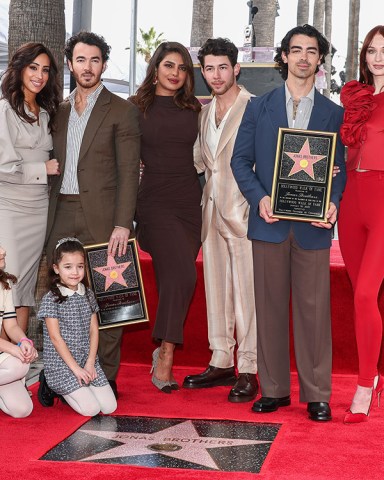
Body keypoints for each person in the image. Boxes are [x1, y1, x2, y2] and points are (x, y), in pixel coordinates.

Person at [231, 24, 346, 421]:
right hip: (269, 223)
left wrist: (332, 202)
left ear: (319, 59)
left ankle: (317, 393)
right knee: (270, 308)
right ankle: (275, 390)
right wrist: (260, 198)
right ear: (283, 57)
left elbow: (340, 169)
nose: (302, 57)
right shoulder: (258, 107)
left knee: (315, 312)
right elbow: (239, 162)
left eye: (310, 51)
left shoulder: (334, 113)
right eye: (295, 50)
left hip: (313, 229)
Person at [45, 31, 141, 398]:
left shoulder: (123, 111)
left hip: (105, 218)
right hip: (59, 213)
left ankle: (105, 374)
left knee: (111, 297)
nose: (88, 67)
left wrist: (122, 223)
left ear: (104, 64)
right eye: (81, 60)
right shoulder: (58, 111)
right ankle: (58, 375)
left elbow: (129, 172)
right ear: (70, 64)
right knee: (58, 297)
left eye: (95, 60)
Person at [182, 38, 258, 403]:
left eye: (222, 67)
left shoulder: (254, 109)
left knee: (247, 295)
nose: (215, 75)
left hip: (244, 214)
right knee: (217, 289)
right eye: (209, 68)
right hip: (210, 211)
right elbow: (201, 161)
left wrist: (254, 203)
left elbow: (265, 161)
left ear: (236, 68)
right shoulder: (203, 111)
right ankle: (222, 358)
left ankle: (250, 366)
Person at [130, 42, 202, 393]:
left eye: (182, 68)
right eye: (169, 65)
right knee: (184, 275)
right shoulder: (134, 108)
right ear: (155, 67)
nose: (175, 73)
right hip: (154, 204)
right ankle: (167, 354)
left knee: (176, 276)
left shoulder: (194, 109)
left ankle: (163, 346)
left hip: (190, 203)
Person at [338, 25, 384, 424]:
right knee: (360, 296)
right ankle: (375, 377)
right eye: (372, 50)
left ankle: (365, 385)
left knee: (367, 295)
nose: (378, 57)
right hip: (351, 203)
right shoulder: (354, 97)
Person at [0, 42, 60, 333]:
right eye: (33, 67)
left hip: (39, 209)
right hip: (10, 208)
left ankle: (17, 370)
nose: (40, 75)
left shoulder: (46, 112)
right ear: (20, 68)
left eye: (45, 69)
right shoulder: (5, 111)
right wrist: (42, 169)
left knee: (23, 288)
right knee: (7, 285)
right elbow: (2, 168)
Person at [37, 237, 117, 416]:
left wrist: (90, 363)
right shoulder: (51, 298)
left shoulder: (87, 294)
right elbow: (55, 338)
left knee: (109, 407)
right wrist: (76, 369)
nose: (75, 272)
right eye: (68, 267)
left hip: (86, 361)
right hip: (63, 365)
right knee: (91, 409)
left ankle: (79, 389)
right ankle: (49, 383)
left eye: (80, 266)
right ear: (56, 268)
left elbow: (94, 330)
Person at [0, 245, 38, 418]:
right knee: (18, 364)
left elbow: (11, 325)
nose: (3, 251)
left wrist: (24, 342)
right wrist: (12, 348)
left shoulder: (4, 284)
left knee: (23, 410)